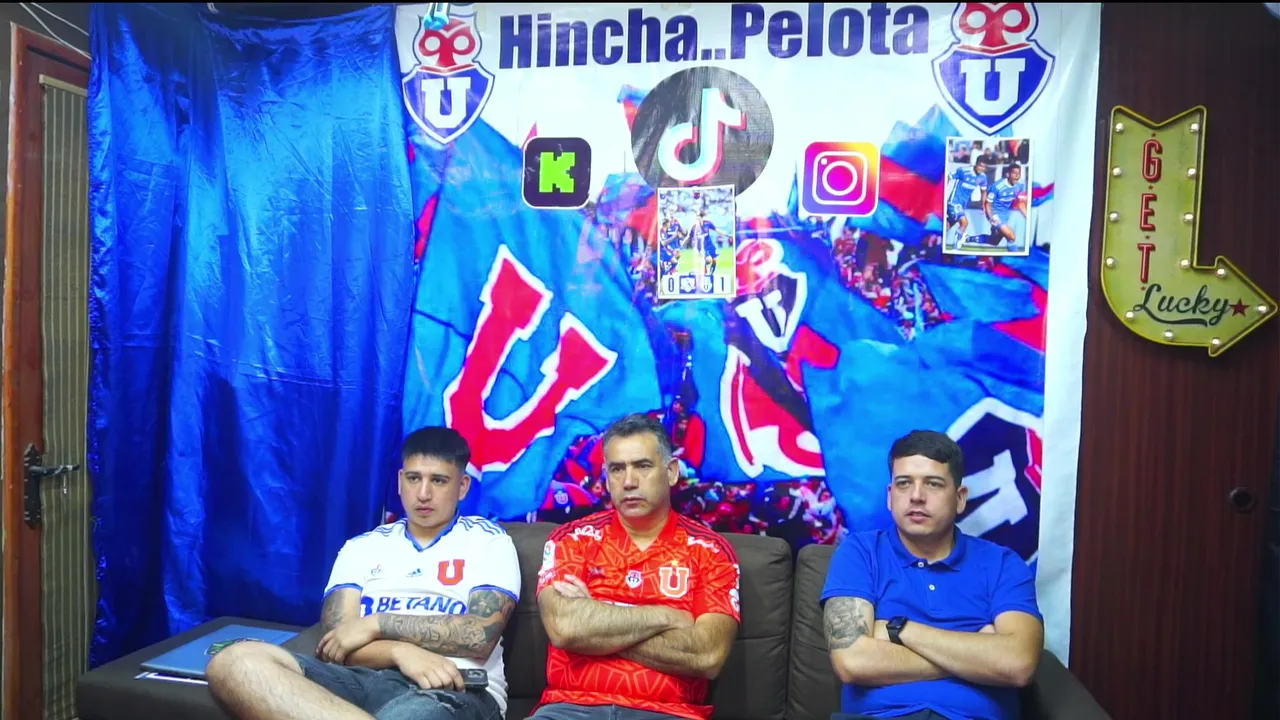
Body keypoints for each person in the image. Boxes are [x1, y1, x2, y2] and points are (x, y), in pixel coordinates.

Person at [207, 426, 520, 720]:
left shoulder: (488, 541)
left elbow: (478, 635)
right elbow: (336, 644)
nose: (423, 494)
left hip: (450, 688)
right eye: (414, 478)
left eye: (438, 481)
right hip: (358, 680)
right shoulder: (362, 547)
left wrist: (375, 624)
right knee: (234, 662)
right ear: (400, 481)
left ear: (462, 486)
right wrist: (399, 651)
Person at [530, 413, 741, 720]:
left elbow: (707, 655)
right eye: (617, 469)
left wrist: (596, 624)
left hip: (670, 712)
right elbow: (566, 629)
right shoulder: (573, 540)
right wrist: (668, 616)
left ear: (671, 472)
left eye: (642, 466)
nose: (628, 482)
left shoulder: (710, 551)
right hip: (570, 707)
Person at [821, 430, 1043, 720]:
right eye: (904, 483)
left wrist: (900, 631)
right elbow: (851, 661)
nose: (916, 496)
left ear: (960, 498)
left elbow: (1018, 664)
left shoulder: (1002, 563)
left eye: (933, 484)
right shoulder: (860, 552)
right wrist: (976, 656)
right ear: (890, 496)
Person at [945, 157, 989, 246]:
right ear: (976, 164)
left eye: (984, 167)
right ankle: (956, 246)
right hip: (954, 202)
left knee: (947, 225)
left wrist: (983, 204)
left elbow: (983, 191)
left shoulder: (983, 177)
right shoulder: (963, 171)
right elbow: (948, 177)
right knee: (964, 223)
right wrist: (943, 191)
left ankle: (935, 237)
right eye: (980, 166)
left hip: (962, 205)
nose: (981, 169)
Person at [984, 164, 1028, 248]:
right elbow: (988, 204)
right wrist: (991, 218)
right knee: (1011, 237)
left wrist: (1027, 216)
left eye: (1018, 173)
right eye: (1014, 173)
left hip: (1005, 214)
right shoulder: (997, 187)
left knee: (994, 241)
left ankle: (968, 238)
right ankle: (1013, 252)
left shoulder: (1019, 186)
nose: (1017, 176)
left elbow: (1020, 203)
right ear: (1008, 174)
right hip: (995, 213)